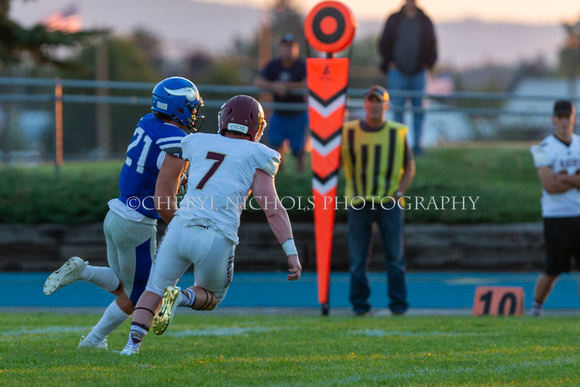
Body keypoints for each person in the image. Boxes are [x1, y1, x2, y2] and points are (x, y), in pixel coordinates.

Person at [118, 95, 302, 355]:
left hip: (180, 227)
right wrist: (291, 251)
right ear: (257, 127)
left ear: (223, 120)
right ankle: (180, 297)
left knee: (153, 290)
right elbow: (272, 210)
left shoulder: (196, 141)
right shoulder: (259, 154)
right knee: (212, 297)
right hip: (216, 236)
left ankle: (130, 347)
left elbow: (191, 173)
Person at [43, 76, 204, 348]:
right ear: (179, 107)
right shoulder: (177, 139)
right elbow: (164, 202)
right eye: (191, 106)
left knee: (122, 285)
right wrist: (185, 232)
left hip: (117, 214)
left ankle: (84, 271)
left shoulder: (148, 121)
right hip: (137, 225)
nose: (195, 112)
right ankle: (94, 340)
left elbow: (151, 166)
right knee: (139, 295)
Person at [341, 85, 415, 316]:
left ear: (386, 105)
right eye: (370, 100)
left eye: (379, 101)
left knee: (395, 259)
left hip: (389, 203)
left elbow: (409, 166)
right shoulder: (348, 131)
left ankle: (399, 307)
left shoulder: (397, 132)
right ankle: (360, 307)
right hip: (359, 202)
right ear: (365, 103)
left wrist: (399, 193)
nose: (374, 104)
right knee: (358, 260)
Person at [529, 100, 580, 317]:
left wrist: (563, 178)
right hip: (556, 216)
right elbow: (549, 185)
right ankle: (535, 309)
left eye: (567, 117)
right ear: (553, 120)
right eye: (559, 117)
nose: (563, 122)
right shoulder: (542, 148)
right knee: (552, 271)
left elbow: (556, 181)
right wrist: (576, 179)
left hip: (578, 214)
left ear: (573, 118)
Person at [378, 0, 437, 156]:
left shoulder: (424, 20)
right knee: (398, 110)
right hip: (397, 72)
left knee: (419, 112)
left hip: (419, 73)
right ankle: (399, 147)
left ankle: (418, 147)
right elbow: (383, 42)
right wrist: (389, 62)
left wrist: (428, 63)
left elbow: (432, 44)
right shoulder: (394, 19)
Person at [254, 33, 308, 172]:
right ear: (280, 48)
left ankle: (299, 180)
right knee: (275, 148)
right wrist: (275, 86)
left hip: (298, 114)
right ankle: (280, 177)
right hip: (279, 114)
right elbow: (259, 81)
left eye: (291, 47)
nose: (288, 50)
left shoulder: (301, 65)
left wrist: (286, 86)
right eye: (285, 47)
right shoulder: (274, 65)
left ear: (297, 49)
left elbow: (309, 83)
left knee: (299, 151)